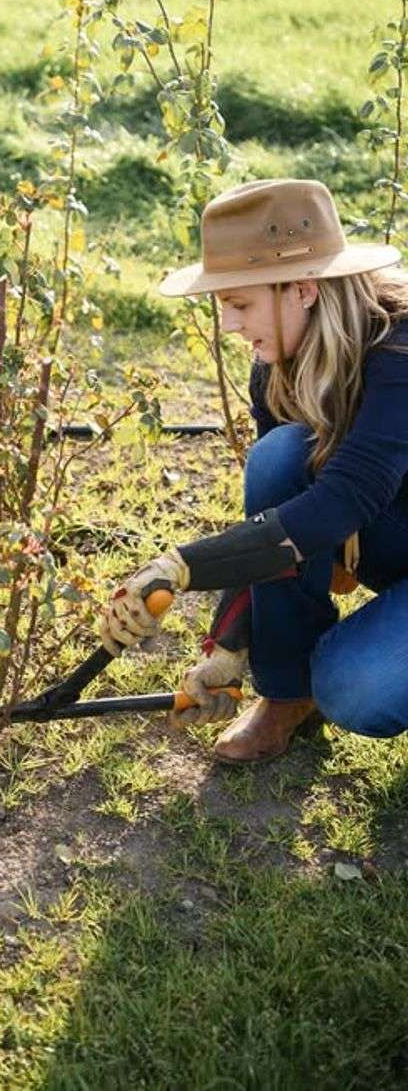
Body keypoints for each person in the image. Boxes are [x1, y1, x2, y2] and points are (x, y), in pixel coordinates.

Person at [99, 177, 408, 763]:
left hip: (379, 514)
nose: (231, 326)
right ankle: (286, 697)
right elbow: (280, 518)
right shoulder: (279, 369)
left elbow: (346, 498)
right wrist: (229, 645)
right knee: (280, 455)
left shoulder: (401, 351)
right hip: (398, 533)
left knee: (355, 689)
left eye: (239, 304)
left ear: (303, 288)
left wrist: (182, 567)